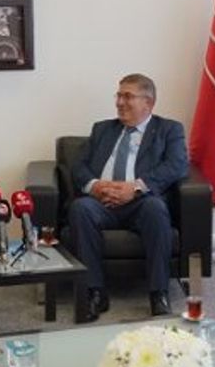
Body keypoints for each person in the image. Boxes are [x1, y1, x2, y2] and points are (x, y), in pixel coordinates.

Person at [68, 73, 189, 321]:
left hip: (141, 202)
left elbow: (177, 165)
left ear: (148, 103)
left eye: (128, 96)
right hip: (101, 201)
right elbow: (78, 166)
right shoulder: (102, 129)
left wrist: (135, 188)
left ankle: (158, 293)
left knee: (156, 208)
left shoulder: (169, 129)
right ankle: (95, 291)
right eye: (119, 95)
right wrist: (96, 186)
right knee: (80, 209)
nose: (120, 102)